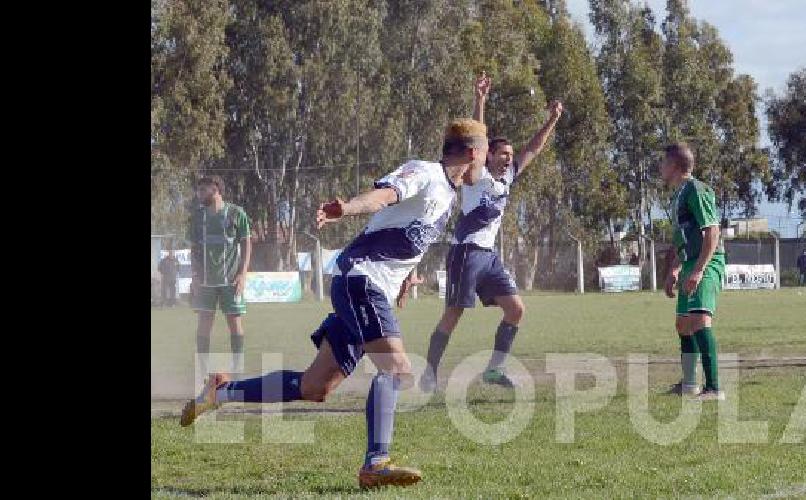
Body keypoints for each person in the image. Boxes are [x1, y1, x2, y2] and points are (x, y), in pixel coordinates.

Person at [180, 118, 489, 488]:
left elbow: (404, 235)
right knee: (397, 370)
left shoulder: (449, 195)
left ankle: (221, 391)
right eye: (486, 155)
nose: (487, 165)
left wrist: (407, 276)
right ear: (473, 153)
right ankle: (376, 463)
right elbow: (384, 196)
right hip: (361, 280)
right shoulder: (424, 172)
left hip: (371, 285)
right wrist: (348, 208)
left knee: (314, 387)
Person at [420, 73, 562, 391]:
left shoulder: (508, 177)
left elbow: (534, 149)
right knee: (454, 313)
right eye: (503, 154)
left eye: (510, 154)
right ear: (488, 156)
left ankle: (494, 370)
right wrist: (480, 100)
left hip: (489, 257)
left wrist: (551, 120)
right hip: (466, 253)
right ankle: (429, 372)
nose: (509, 157)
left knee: (516, 310)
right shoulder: (479, 175)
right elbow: (478, 139)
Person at [661, 143, 725, 401]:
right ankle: (689, 384)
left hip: (707, 261)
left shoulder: (696, 190)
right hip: (689, 262)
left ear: (675, 165)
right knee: (683, 324)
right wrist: (675, 269)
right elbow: (683, 238)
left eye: (663, 162)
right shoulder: (679, 194)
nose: (660, 167)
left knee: (699, 320)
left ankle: (714, 388)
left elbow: (712, 231)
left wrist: (699, 269)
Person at [188, 176, 252, 377]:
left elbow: (247, 243)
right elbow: (194, 248)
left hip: (231, 281)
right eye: (198, 190)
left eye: (202, 189)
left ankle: (238, 369)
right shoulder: (197, 217)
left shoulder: (236, 213)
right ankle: (203, 372)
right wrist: (195, 275)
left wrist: (242, 274)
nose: (199, 194)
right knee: (203, 325)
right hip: (205, 282)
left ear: (216, 189)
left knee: (234, 323)